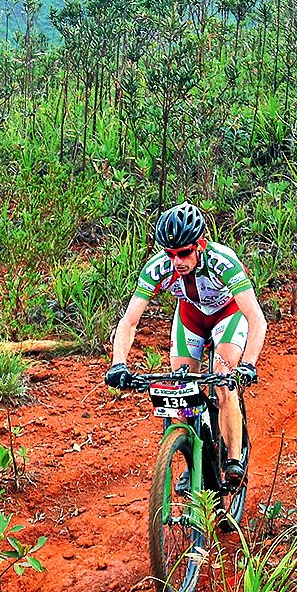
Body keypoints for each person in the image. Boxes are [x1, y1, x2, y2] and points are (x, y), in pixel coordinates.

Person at [102, 203, 265, 484]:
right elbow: (129, 321)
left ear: (200, 244)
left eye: (184, 253)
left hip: (228, 315)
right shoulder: (158, 268)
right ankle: (193, 457)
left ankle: (234, 459)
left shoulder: (223, 261)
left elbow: (256, 319)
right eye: (170, 253)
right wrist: (119, 364)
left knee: (224, 381)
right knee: (180, 389)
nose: (176, 261)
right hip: (191, 318)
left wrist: (248, 364)